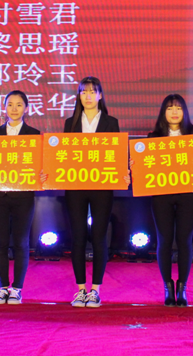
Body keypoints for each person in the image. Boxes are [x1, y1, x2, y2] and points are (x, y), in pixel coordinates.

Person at [63, 76, 120, 308]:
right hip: (75, 187)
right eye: (83, 92)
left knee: (98, 237)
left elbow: (116, 155)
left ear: (100, 95)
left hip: (102, 187)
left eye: (92, 91)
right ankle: (80, 290)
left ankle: (95, 290)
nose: (88, 96)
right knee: (78, 237)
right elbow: (63, 155)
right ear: (78, 96)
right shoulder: (70, 123)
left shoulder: (111, 122)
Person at [146, 94, 193, 307]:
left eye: (178, 108)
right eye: (169, 108)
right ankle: (168, 287)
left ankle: (182, 288)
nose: (174, 112)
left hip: (188, 194)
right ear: (163, 112)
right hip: (162, 195)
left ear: (184, 111)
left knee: (185, 240)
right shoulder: (153, 138)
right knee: (164, 240)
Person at [0, 91, 41, 306]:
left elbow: (39, 163)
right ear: (4, 108)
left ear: (26, 108)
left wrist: (42, 174)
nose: (14, 108)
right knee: (0, 242)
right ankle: (2, 288)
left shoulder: (34, 134)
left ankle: (17, 289)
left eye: (19, 104)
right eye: (10, 104)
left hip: (23, 196)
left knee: (20, 242)